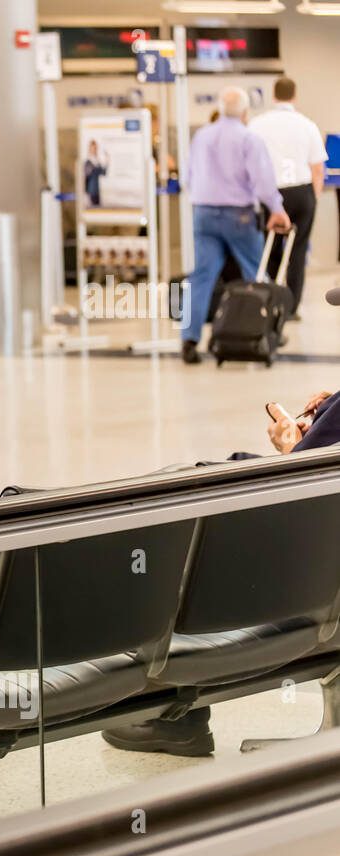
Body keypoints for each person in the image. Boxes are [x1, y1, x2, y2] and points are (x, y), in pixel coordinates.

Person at [102, 387, 340, 757]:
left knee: (180, 508)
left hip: (312, 582)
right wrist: (329, 410)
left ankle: (173, 712)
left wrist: (291, 446)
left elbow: (306, 488)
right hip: (320, 569)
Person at [181, 86, 291, 365]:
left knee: (202, 276)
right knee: (256, 272)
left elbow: (188, 177)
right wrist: (277, 210)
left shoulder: (201, 136)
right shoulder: (248, 138)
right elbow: (263, 181)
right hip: (238, 215)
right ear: (244, 111)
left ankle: (189, 340)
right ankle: (268, 328)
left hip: (203, 212)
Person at [248, 77, 326, 318]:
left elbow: (249, 164)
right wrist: (313, 199)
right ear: (294, 96)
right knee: (298, 250)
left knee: (269, 249)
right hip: (301, 191)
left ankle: (271, 301)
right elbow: (317, 169)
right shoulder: (307, 125)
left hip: (268, 192)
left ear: (274, 95)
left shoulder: (256, 124)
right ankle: (292, 308)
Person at [82, 140, 107, 208]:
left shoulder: (97, 161)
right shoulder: (88, 162)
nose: (94, 150)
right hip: (90, 192)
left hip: (97, 191)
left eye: (95, 148)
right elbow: (88, 175)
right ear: (90, 149)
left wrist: (106, 162)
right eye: (93, 148)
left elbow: (103, 173)